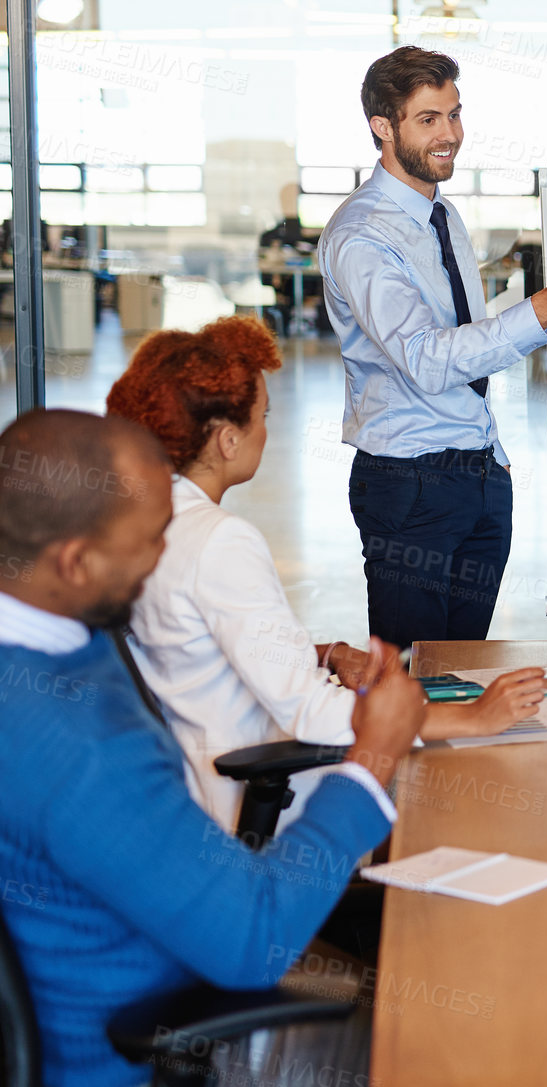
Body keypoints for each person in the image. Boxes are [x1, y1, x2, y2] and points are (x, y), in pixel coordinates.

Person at [0, 409, 423, 1087]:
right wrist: (373, 757)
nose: (162, 556)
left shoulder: (59, 628)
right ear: (74, 562)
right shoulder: (73, 748)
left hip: (167, 943)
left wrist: (309, 652)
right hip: (147, 1050)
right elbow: (253, 940)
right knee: (453, 1040)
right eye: (149, 541)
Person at [104, 316, 547, 833]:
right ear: (228, 440)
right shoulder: (220, 541)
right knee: (476, 787)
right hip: (253, 792)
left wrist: (327, 654)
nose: (267, 430)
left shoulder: (147, 523)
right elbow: (310, 715)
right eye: (263, 416)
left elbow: (187, 644)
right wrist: (474, 718)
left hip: (190, 778)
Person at [319, 45, 547, 648]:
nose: (449, 134)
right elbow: (428, 360)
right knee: (412, 683)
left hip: (477, 477)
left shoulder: (443, 214)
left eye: (454, 114)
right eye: (428, 119)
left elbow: (464, 336)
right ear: (383, 127)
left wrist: (494, 458)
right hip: (410, 484)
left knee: (461, 675)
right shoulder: (361, 237)